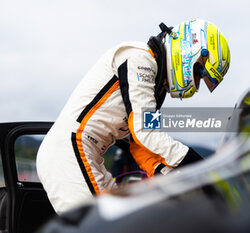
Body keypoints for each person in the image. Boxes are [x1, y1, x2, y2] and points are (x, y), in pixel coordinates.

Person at [36, 19, 231, 214]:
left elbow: (140, 146)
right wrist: (204, 169)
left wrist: (174, 177)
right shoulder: (139, 58)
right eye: (199, 74)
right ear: (192, 49)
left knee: (128, 219)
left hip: (87, 155)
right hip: (69, 151)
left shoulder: (156, 89)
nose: (196, 85)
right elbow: (146, 132)